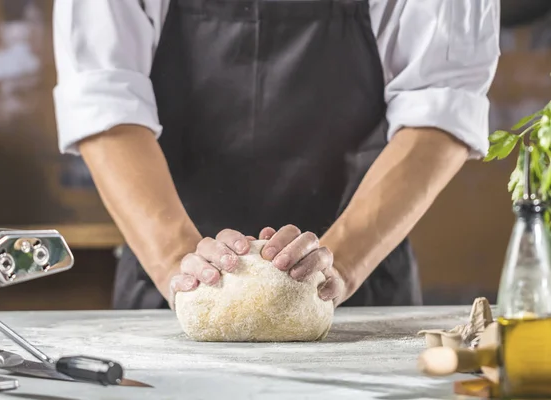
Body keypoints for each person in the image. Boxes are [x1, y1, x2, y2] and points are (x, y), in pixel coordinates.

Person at [52, 0, 500, 310]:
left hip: (360, 286)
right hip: (167, 281)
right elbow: (103, 96)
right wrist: (180, 267)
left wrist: (338, 265)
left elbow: (440, 102)